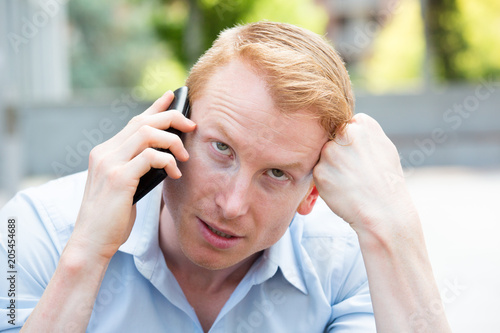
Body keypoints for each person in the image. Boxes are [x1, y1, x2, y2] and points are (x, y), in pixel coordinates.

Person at [0, 21, 451, 332]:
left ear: (311, 193)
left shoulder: (347, 263)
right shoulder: (29, 227)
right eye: (222, 149)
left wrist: (396, 227)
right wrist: (86, 253)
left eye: (276, 173)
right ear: (172, 125)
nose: (232, 205)